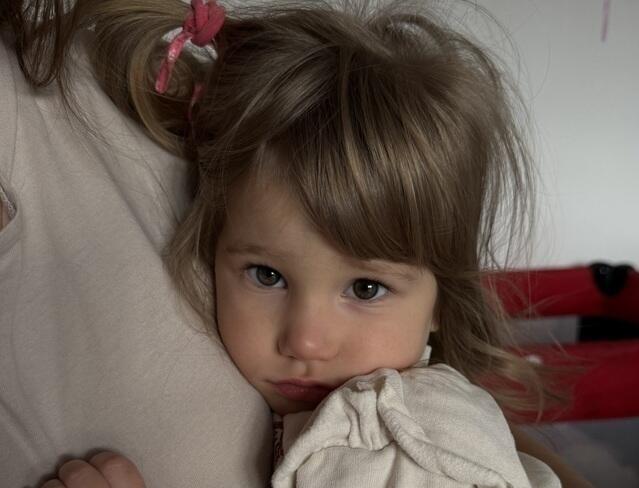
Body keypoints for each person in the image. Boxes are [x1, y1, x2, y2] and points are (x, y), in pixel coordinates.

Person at [0, 0, 594, 486]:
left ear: (442, 299)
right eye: (267, 275)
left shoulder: (410, 452)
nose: (305, 340)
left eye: (366, 288)